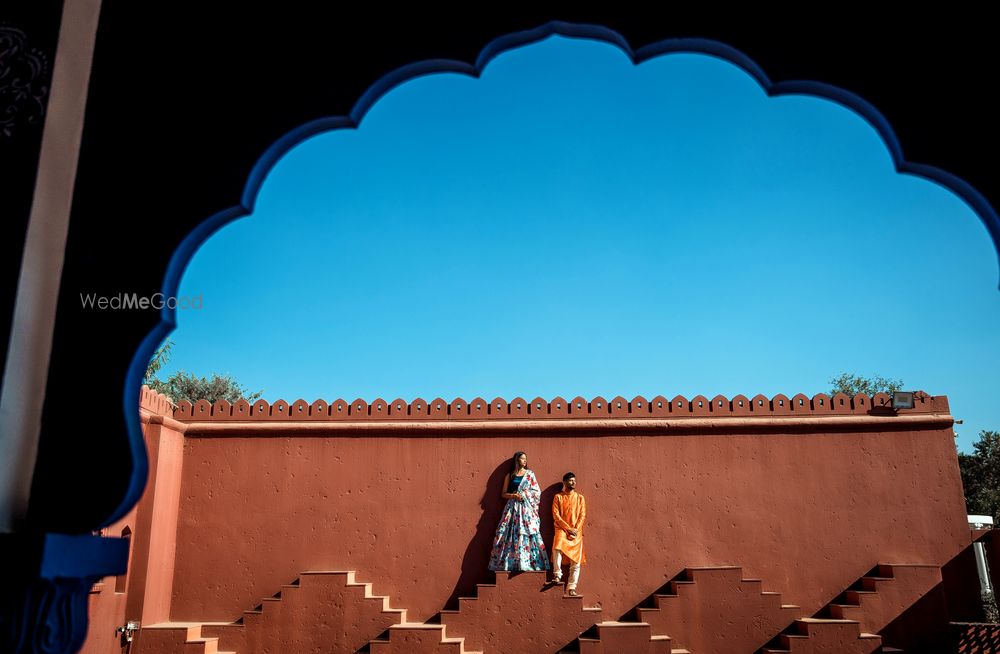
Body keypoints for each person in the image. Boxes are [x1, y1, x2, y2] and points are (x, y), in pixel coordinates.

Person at [488, 451, 551, 572]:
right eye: (522, 459)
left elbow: (537, 492)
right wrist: (514, 496)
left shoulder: (530, 474)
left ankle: (529, 563)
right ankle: (512, 563)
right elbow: (503, 494)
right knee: (509, 532)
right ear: (517, 460)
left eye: (525, 459)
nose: (525, 461)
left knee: (527, 532)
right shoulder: (510, 475)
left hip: (526, 509)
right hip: (512, 508)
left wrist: (524, 494)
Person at [549, 472, 586, 595]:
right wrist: (567, 528)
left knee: (576, 559)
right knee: (557, 546)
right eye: (570, 480)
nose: (573, 482)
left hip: (576, 531)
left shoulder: (580, 498)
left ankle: (572, 587)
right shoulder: (558, 497)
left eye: (574, 480)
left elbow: (582, 515)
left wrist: (575, 529)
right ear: (564, 482)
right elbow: (556, 515)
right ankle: (557, 575)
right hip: (562, 529)